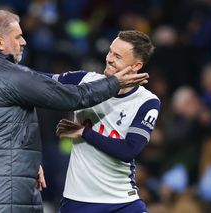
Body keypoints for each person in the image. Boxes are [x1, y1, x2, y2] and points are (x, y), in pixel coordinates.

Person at [0, 10, 149, 213]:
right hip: (2, 192)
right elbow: (72, 97)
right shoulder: (5, 75)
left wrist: (27, 163)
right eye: (18, 37)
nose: (23, 42)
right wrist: (115, 83)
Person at [55, 30, 160, 213]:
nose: (109, 58)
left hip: (123, 202)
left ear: (136, 66)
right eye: (110, 51)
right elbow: (38, 81)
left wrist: (84, 132)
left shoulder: (147, 102)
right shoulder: (85, 81)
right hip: (78, 201)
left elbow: (128, 150)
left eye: (117, 56)